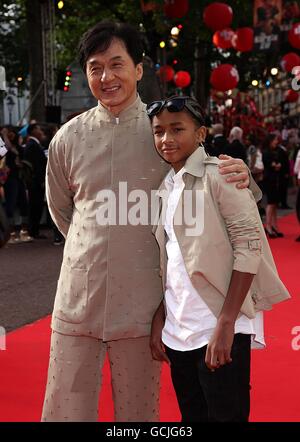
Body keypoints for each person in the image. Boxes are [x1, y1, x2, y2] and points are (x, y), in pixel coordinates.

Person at [42, 21, 258, 422]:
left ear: (139, 69)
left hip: (145, 310)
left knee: (139, 416)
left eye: (117, 64)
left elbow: (209, 176)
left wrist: (242, 172)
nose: (107, 77)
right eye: (95, 67)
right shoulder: (67, 138)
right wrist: (91, 250)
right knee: (63, 412)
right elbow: (62, 213)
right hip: (76, 302)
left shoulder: (164, 131)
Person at [148, 96, 290, 422]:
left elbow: (249, 247)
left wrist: (226, 323)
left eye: (177, 129)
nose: (166, 139)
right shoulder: (167, 185)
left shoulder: (222, 174)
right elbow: (173, 259)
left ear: (200, 134)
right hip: (178, 331)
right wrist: (161, 316)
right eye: (158, 131)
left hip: (219, 324)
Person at [24, 124, 47, 239]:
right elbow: (36, 165)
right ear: (33, 131)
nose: (40, 130)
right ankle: (33, 231)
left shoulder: (34, 144)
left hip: (35, 181)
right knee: (35, 205)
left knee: (36, 205)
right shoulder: (32, 145)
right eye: (38, 128)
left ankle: (34, 230)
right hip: (35, 182)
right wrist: (41, 180)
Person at [262, 134, 284, 238]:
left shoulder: (276, 151)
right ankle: (268, 226)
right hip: (269, 180)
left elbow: (278, 164)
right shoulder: (266, 152)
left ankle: (275, 226)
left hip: (275, 179)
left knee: (275, 203)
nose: (276, 142)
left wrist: (277, 165)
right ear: (270, 141)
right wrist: (276, 165)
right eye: (275, 140)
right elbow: (271, 165)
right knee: (271, 203)